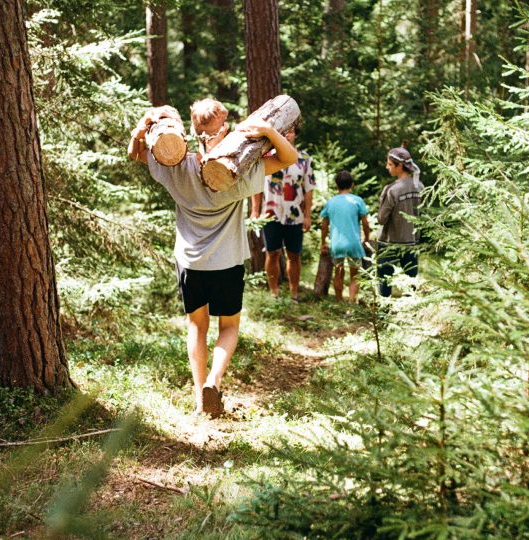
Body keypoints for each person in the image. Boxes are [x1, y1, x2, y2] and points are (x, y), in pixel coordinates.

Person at [128, 100, 298, 417]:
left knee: (197, 328)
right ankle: (215, 382)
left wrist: (141, 129)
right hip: (227, 262)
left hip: (190, 263)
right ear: (224, 129)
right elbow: (289, 157)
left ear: (193, 131)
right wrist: (267, 130)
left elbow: (135, 154)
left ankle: (198, 395)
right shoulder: (239, 170)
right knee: (229, 327)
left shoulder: (178, 167)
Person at [250, 126, 315, 301]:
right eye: (284, 131)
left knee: (294, 255)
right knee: (272, 253)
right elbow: (256, 185)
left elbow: (308, 190)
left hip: (294, 216)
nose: (287, 134)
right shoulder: (267, 157)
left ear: (296, 134)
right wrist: (255, 211)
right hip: (270, 214)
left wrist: (308, 215)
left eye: (292, 131)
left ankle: (294, 293)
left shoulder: (305, 159)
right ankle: (274, 293)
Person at [377, 147, 423, 298]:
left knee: (384, 281)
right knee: (411, 282)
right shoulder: (420, 187)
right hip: (411, 241)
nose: (387, 167)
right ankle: (411, 313)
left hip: (389, 243)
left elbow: (381, 219)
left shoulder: (392, 190)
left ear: (400, 166)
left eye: (390, 164)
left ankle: (383, 315)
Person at [319, 170, 370, 304]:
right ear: (352, 185)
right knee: (355, 275)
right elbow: (365, 223)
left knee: (338, 272)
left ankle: (339, 301)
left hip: (337, 244)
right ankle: (352, 302)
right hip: (354, 243)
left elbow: (324, 226)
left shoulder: (331, 202)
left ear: (336, 185)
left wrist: (323, 242)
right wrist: (366, 238)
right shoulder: (358, 201)